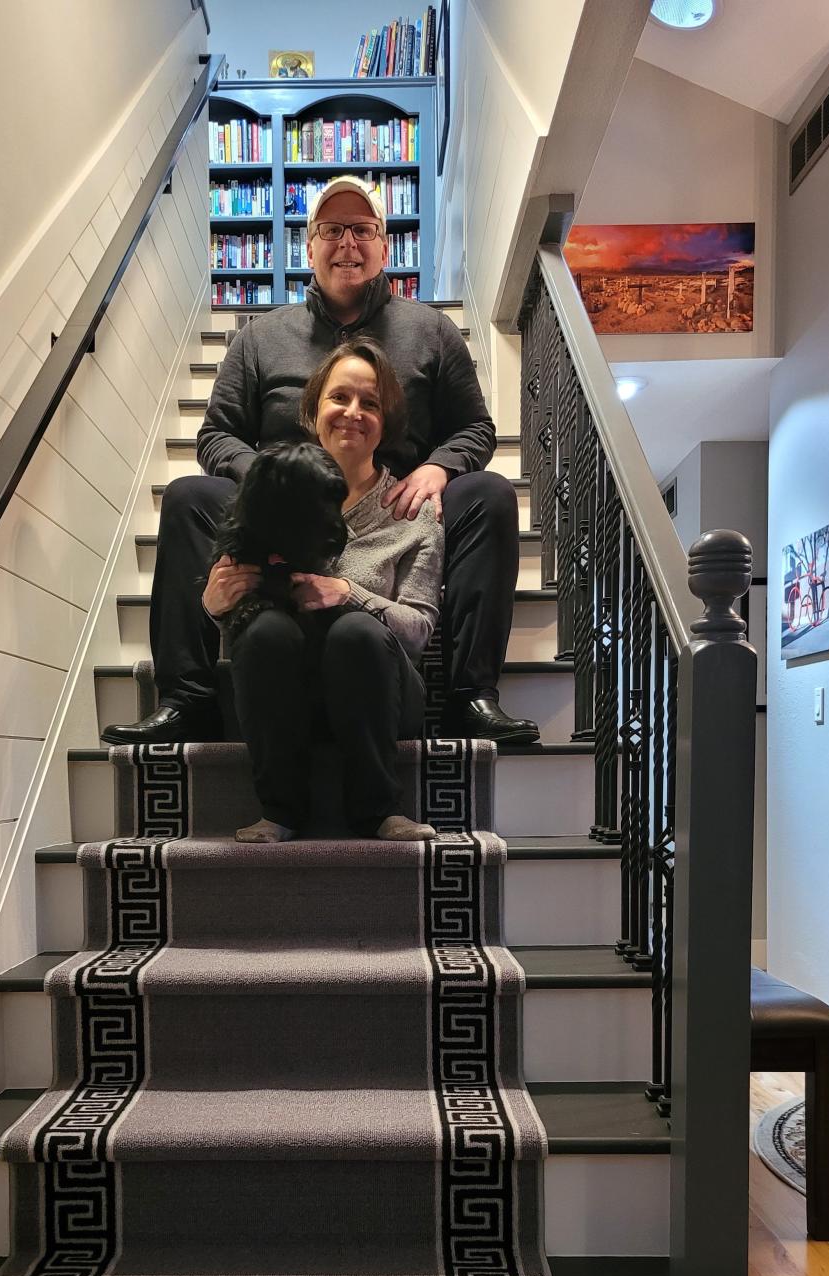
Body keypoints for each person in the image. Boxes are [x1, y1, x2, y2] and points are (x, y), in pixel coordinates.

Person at [101, 173, 539, 748]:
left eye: (362, 229)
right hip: (282, 508)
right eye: (332, 230)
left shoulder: (432, 331)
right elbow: (216, 437)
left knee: (489, 494)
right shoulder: (258, 337)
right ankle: (187, 699)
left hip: (394, 508)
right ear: (309, 247)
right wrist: (262, 476)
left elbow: (475, 429)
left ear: (385, 244)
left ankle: (470, 696)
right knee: (188, 497)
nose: (347, 244)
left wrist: (440, 467)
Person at [210, 341, 442, 843]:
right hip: (286, 689)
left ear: (387, 421)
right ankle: (281, 811)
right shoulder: (270, 493)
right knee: (265, 630)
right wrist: (216, 608)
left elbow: (419, 631)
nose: (353, 414)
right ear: (313, 410)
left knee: (356, 631)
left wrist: (350, 593)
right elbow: (243, 610)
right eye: (340, 397)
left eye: (371, 403)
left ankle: (381, 810)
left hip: (381, 690)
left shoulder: (414, 510)